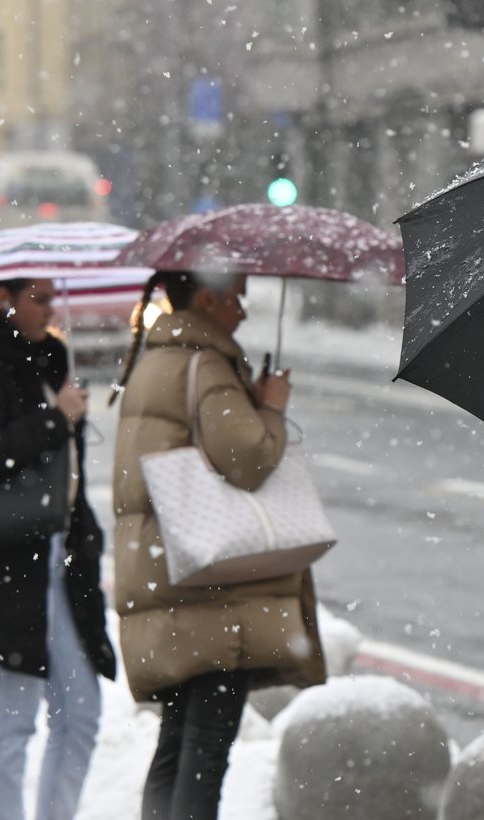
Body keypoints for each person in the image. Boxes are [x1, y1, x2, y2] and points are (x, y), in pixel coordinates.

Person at [110, 269, 325, 820]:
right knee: (205, 755)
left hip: (171, 575)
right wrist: (270, 407)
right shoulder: (206, 364)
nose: (244, 312)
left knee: (176, 747)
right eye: (236, 298)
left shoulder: (153, 360)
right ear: (206, 298)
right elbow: (247, 458)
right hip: (217, 593)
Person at [0, 278, 117, 820]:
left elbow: (66, 474)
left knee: (81, 710)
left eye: (51, 296)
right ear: (4, 299)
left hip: (62, 558)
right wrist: (53, 418)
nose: (50, 308)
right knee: (12, 715)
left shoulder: (51, 360)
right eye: (37, 298)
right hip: (6, 564)